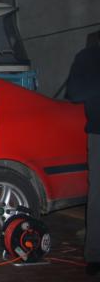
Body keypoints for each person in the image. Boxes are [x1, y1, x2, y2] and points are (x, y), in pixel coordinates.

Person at [66, 30, 100, 277]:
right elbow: (75, 93)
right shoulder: (88, 57)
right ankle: (96, 255)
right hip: (99, 133)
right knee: (98, 197)